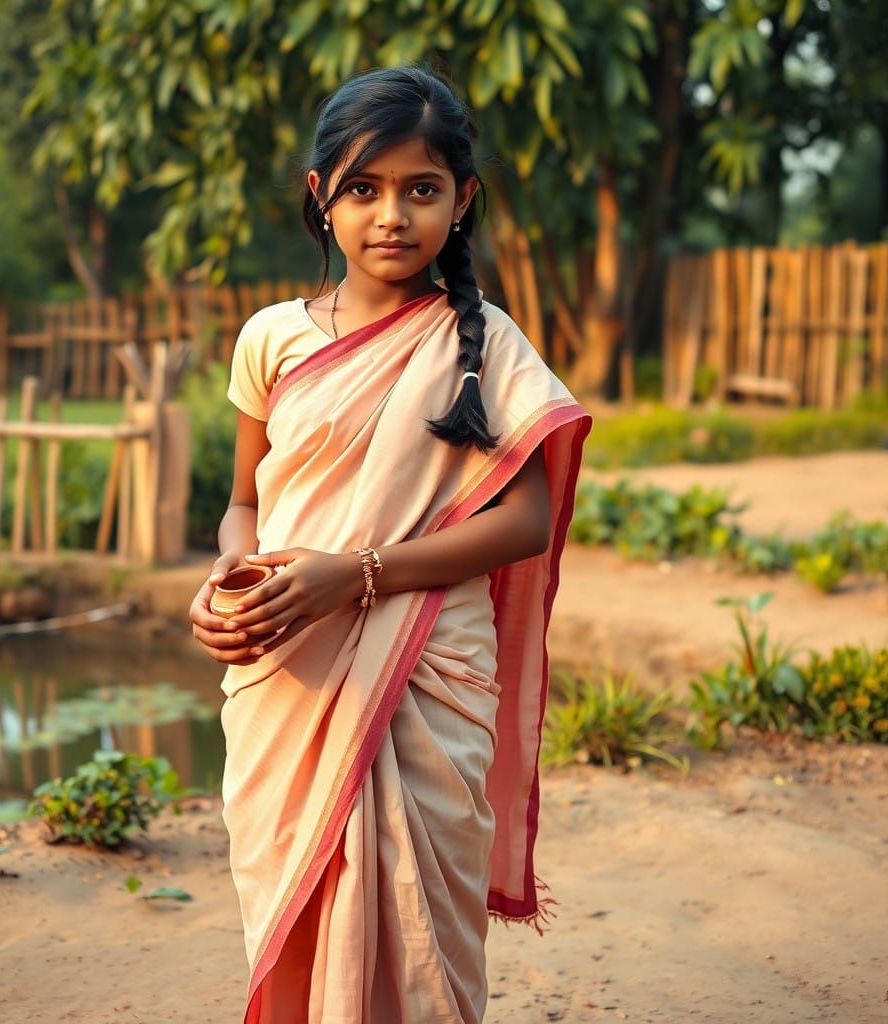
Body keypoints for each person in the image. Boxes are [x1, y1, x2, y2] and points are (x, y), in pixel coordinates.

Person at [188, 64, 591, 1024]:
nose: (392, 215)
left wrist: (358, 576)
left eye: (422, 189)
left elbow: (525, 522)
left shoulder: (484, 342)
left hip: (427, 668)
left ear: (464, 200)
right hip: (290, 667)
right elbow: (242, 504)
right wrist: (228, 575)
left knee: (419, 938)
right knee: (298, 913)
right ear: (320, 194)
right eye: (364, 188)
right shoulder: (272, 338)